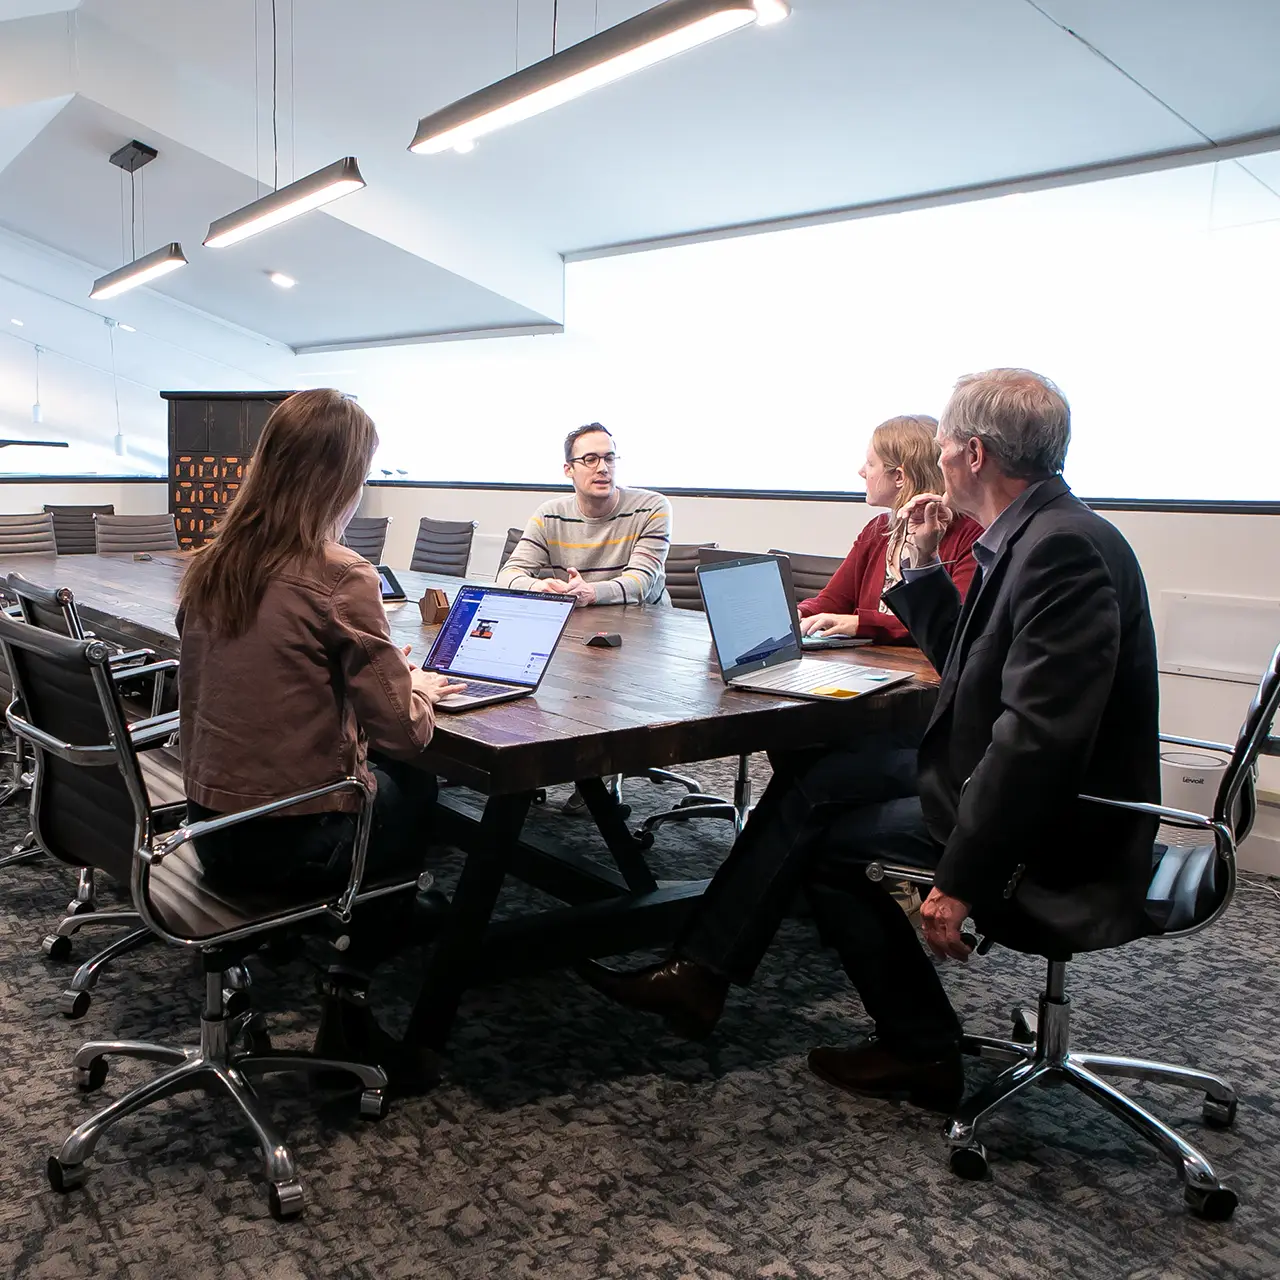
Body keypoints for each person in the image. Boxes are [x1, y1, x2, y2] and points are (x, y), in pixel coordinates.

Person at [584, 369, 1160, 1114]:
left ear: (974, 454)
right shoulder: (1039, 532)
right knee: (818, 786)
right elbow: (974, 667)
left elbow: (1036, 741)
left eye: (947, 442)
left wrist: (958, 877)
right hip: (1009, 780)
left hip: (1062, 823)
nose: (940, 455)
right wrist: (919, 571)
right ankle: (704, 974)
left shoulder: (1059, 549)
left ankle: (907, 1044)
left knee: (828, 839)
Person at [177, 388, 464, 1082]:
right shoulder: (336, 574)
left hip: (209, 830)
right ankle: (353, 980)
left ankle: (368, 922)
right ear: (342, 478)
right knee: (414, 785)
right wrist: (416, 689)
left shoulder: (213, 562)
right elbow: (399, 732)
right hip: (289, 842)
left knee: (391, 797)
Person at [797, 415, 981, 644]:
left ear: (899, 477)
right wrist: (800, 613)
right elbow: (832, 601)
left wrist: (860, 624)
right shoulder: (877, 530)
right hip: (871, 669)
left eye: (871, 464)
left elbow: (956, 625)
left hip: (927, 675)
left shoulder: (971, 536)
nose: (862, 472)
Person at [497, 423, 672, 607]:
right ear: (568, 470)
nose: (603, 468)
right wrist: (536, 587)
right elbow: (508, 574)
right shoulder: (549, 515)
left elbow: (640, 582)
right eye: (590, 459)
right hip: (582, 621)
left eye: (609, 458)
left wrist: (592, 592)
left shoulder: (652, 507)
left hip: (646, 624)